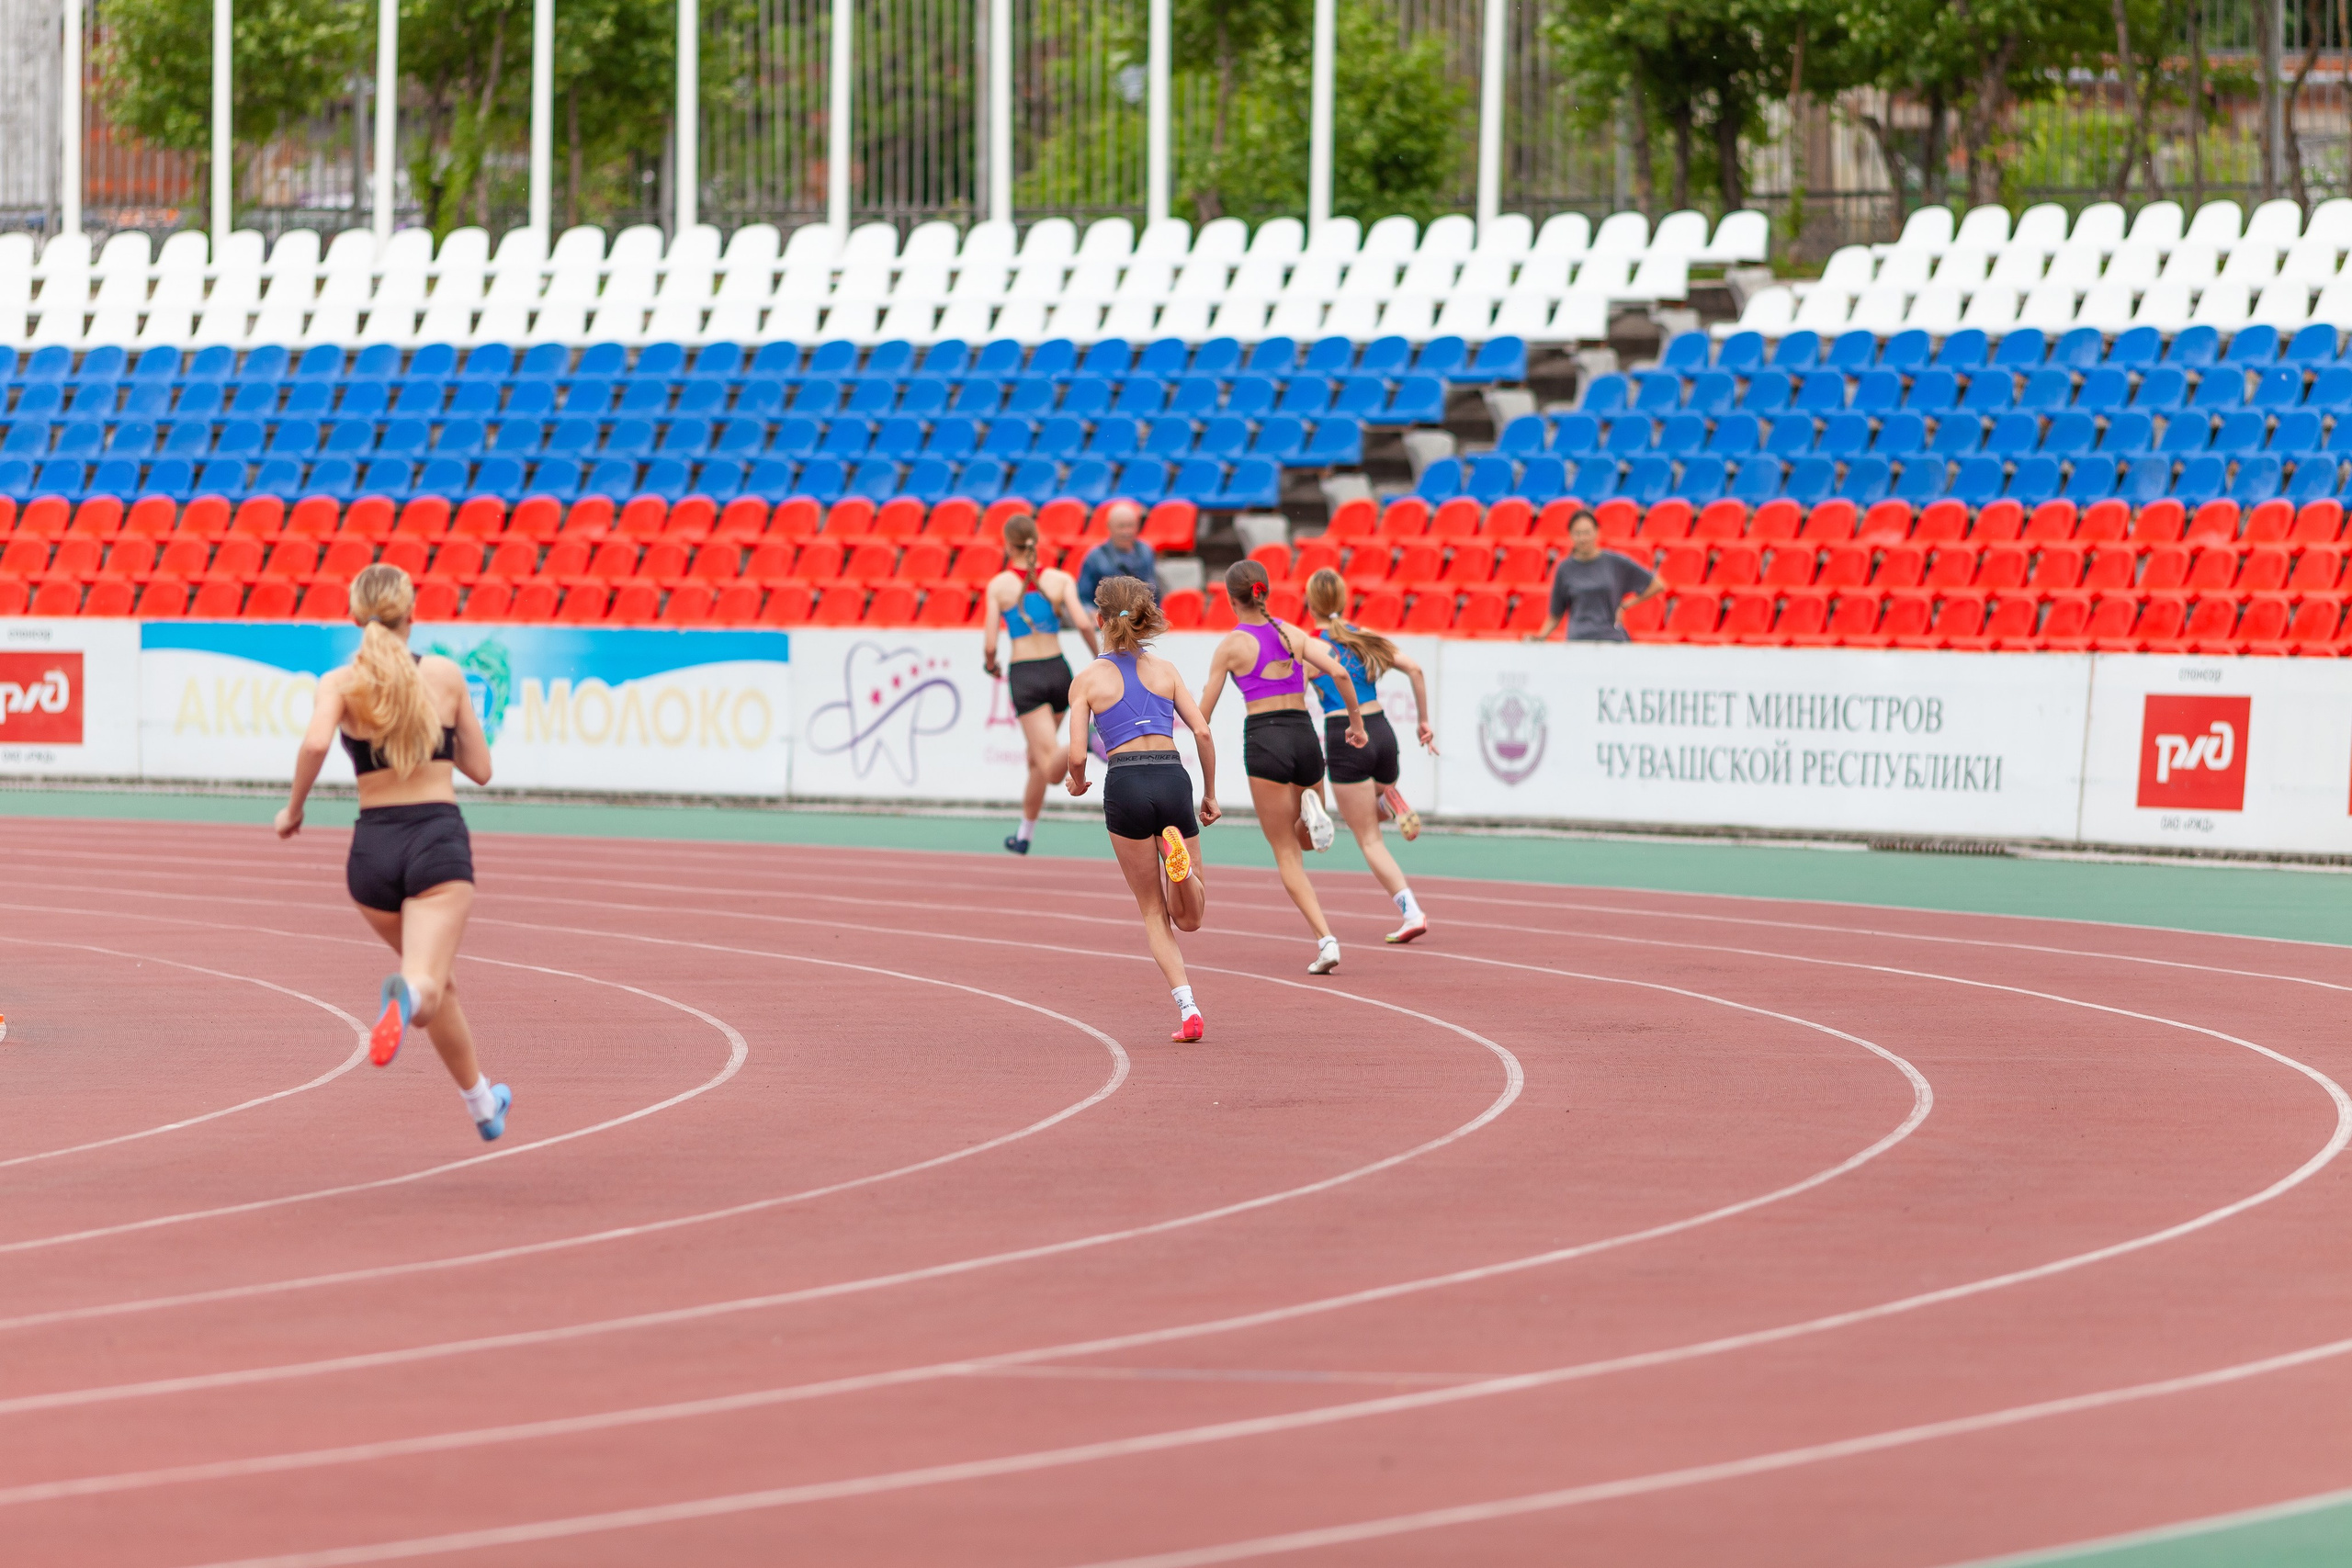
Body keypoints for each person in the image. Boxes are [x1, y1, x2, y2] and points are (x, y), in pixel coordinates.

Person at [274, 564, 512, 1141]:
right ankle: (406, 995)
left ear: (354, 617)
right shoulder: (447, 676)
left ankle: (482, 1104)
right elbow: (480, 770)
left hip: (371, 853)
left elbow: (313, 741)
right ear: (413, 613)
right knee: (424, 985)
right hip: (435, 842)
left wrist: (294, 809)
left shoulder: (340, 682)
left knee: (438, 978)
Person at [1064, 576, 1221, 1041]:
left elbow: (1075, 755)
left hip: (1126, 780)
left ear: (1100, 620)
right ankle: (1182, 872)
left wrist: (1077, 783)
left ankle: (1189, 1010)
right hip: (1172, 777)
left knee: (1154, 912)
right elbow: (1204, 733)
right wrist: (1209, 793)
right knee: (1191, 918)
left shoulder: (1087, 679)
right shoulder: (1166, 670)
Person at [1199, 559, 1368, 975]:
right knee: (1307, 841)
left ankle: (1325, 940)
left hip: (1265, 738)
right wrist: (1356, 723)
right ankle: (1310, 810)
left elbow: (1203, 713)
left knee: (1288, 855)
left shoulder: (1231, 646)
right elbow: (1341, 672)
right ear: (1265, 591)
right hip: (1304, 735)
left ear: (1231, 598)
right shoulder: (1293, 633)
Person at [1303, 567, 1437, 943]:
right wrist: (1424, 722)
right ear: (1344, 602)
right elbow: (1415, 668)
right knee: (1371, 810)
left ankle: (1411, 911)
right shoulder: (1362, 637)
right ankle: (1389, 798)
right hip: (1382, 730)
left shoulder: (1310, 645)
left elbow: (1293, 694)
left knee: (1368, 838)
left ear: (1310, 604)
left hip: (1346, 733)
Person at [982, 513, 1100, 855]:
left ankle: (1092, 740)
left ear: (1007, 544)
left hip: (1026, 675)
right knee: (1036, 759)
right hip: (1058, 672)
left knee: (1049, 767)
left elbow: (990, 645)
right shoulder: (1060, 579)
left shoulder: (999, 585)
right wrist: (1099, 658)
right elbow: (1083, 622)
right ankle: (1024, 834)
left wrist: (990, 665)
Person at [1526, 509, 1667, 641]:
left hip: (1610, 638)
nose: (1582, 538)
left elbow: (1657, 585)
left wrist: (1624, 605)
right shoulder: (1565, 569)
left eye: (1587, 532)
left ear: (1596, 531)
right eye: (1578, 533)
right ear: (1570, 535)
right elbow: (1555, 615)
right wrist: (1540, 637)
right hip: (1579, 640)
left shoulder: (1615, 563)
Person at [1075, 500, 1158, 606]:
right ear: (1109, 526)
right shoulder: (1095, 557)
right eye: (1121, 526)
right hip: (1106, 616)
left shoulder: (1145, 551)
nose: (1126, 532)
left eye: (1130, 526)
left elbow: (1154, 592)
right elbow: (1084, 598)